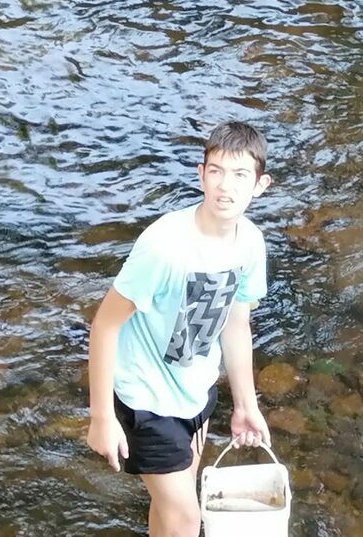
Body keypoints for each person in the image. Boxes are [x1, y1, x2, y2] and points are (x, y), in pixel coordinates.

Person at [87, 121, 274, 537]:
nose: (226, 187)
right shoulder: (164, 247)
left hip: (196, 393)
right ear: (201, 174)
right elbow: (104, 326)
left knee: (175, 506)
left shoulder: (250, 244)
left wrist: (245, 404)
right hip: (144, 400)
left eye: (241, 175)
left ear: (260, 185)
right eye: (217, 171)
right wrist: (102, 417)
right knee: (188, 519)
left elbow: (235, 324)